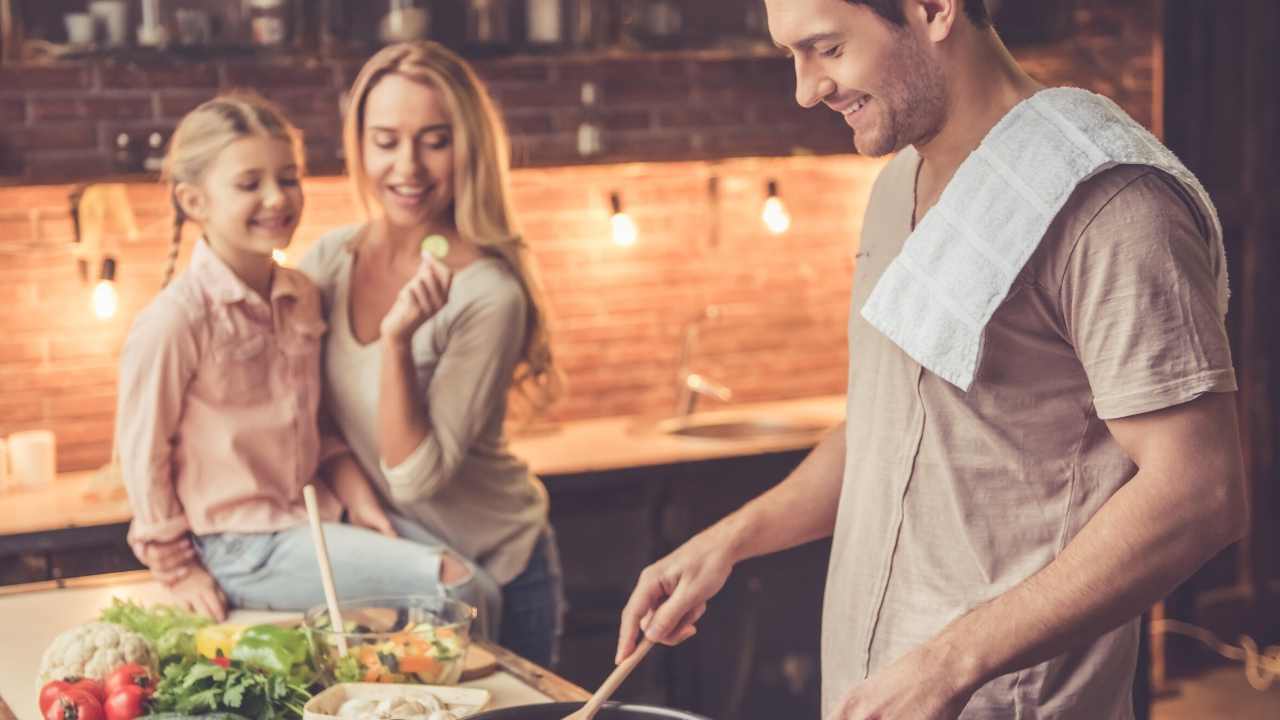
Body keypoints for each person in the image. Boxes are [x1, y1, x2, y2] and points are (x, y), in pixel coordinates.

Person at [615, 1, 1248, 718]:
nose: (804, 88)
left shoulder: (1113, 204)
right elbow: (891, 428)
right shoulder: (895, 186)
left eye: (826, 47)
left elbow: (1199, 493)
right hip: (869, 697)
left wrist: (951, 659)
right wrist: (731, 540)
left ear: (935, 9)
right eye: (790, 54)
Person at [116, 94, 500, 633]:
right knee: (457, 586)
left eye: (288, 178)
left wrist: (360, 502)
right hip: (239, 547)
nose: (277, 198)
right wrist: (178, 571)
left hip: (313, 520)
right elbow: (141, 455)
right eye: (250, 184)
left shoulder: (302, 294)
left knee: (474, 586)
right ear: (193, 200)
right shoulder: (176, 320)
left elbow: (317, 429)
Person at [299, 41, 565, 666]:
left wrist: (396, 340)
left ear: (468, 146)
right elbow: (305, 413)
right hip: (401, 565)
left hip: (499, 571)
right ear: (359, 146)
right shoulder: (328, 261)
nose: (408, 167)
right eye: (386, 140)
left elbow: (416, 476)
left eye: (434, 140)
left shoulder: (487, 293)